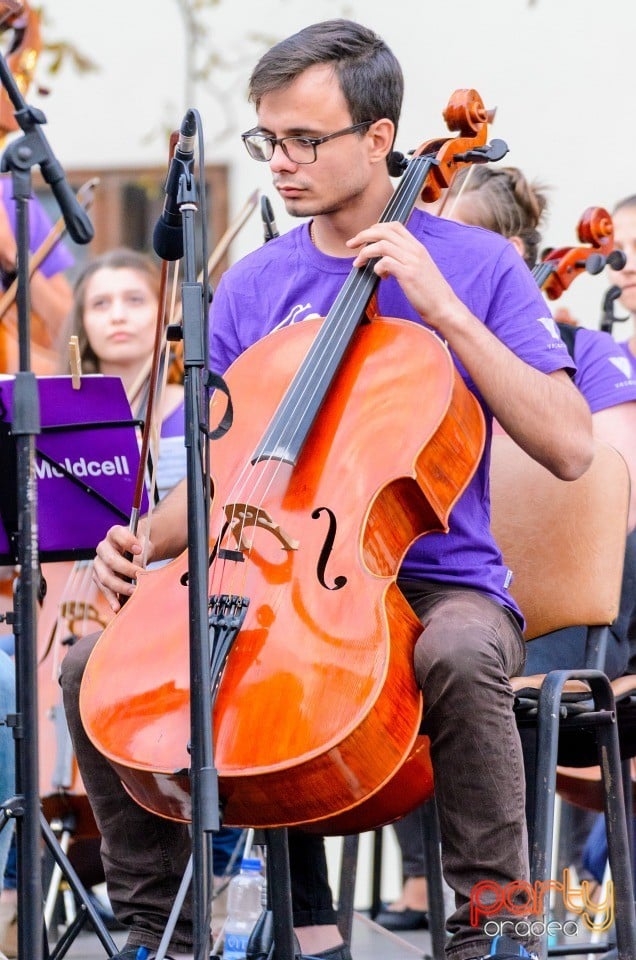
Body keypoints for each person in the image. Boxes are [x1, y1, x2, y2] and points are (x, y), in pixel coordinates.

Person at [60, 20, 594, 960]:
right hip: (271, 568)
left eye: (305, 140)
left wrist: (444, 313)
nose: (281, 162)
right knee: (89, 663)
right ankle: (161, 930)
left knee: (466, 656)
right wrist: (145, 538)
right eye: (269, 140)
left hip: (440, 581)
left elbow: (570, 446)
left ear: (379, 140)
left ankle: (499, 933)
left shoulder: (479, 268)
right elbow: (227, 474)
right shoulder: (252, 286)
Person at [378, 165, 636, 932]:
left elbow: (604, 480)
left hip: (550, 617)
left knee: (472, 671)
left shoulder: (578, 350)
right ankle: (325, 916)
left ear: (509, 256)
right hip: (432, 592)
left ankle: (504, 918)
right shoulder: (397, 355)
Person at [0, 178, 74, 959]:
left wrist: (15, 252)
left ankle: (11, 902)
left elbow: (63, 323)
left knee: (7, 681)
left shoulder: (14, 191)